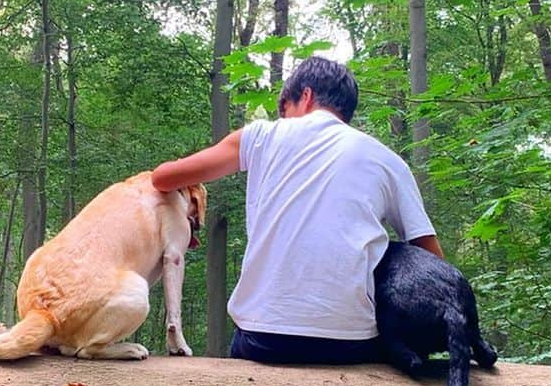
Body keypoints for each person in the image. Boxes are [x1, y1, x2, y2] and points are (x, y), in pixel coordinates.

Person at [150, 56, 442, 364]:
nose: (284, 121)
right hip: (352, 343)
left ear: (306, 96)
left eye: (285, 111)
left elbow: (163, 178)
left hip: (261, 339)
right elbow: (431, 259)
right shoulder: (387, 160)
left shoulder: (259, 137)